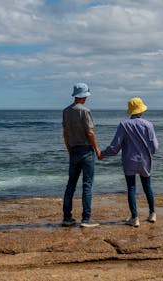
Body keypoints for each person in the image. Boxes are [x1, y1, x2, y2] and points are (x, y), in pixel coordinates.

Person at [102, 97, 159, 227]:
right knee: (147, 186)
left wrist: (103, 154)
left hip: (129, 160)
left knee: (131, 188)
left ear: (131, 111)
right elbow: (155, 146)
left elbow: (115, 146)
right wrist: (149, 153)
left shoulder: (124, 124)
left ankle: (135, 218)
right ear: (141, 110)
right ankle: (152, 214)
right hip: (145, 161)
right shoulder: (148, 124)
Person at [62, 83, 102, 228]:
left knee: (70, 185)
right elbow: (90, 132)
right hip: (86, 150)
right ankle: (86, 218)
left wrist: (69, 149)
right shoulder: (85, 111)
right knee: (87, 185)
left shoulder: (66, 111)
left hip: (73, 150)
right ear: (83, 96)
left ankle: (67, 217)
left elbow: (65, 133)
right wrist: (97, 149)